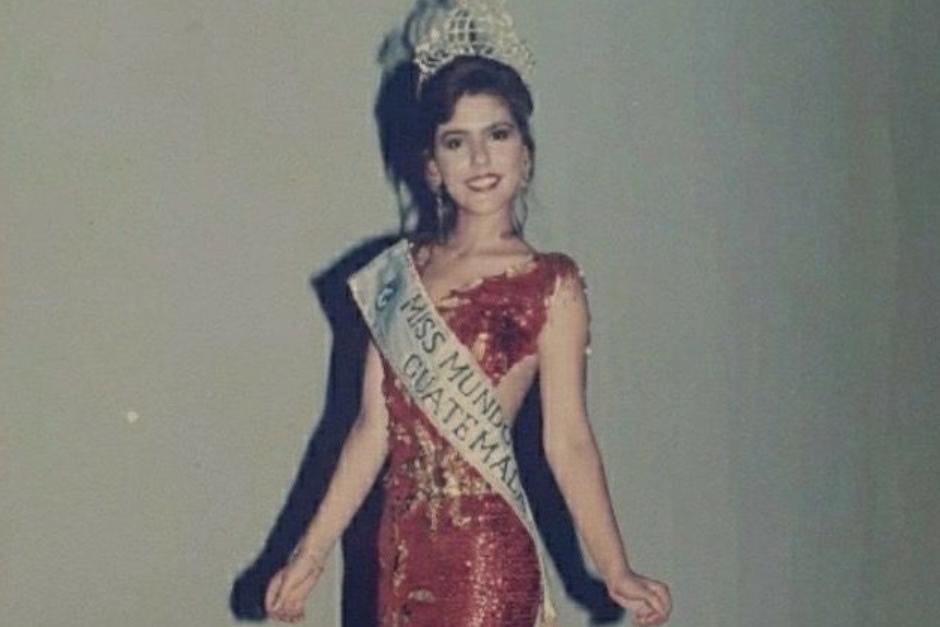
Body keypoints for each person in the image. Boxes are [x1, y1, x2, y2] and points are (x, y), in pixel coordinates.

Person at [265, 2, 672, 625]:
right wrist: (311, 553)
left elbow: (567, 439)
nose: (480, 158)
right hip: (399, 552)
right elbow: (372, 430)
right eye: (457, 141)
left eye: (498, 135)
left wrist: (614, 567)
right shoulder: (399, 276)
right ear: (432, 166)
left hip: (486, 553)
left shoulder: (551, 284)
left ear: (526, 153)